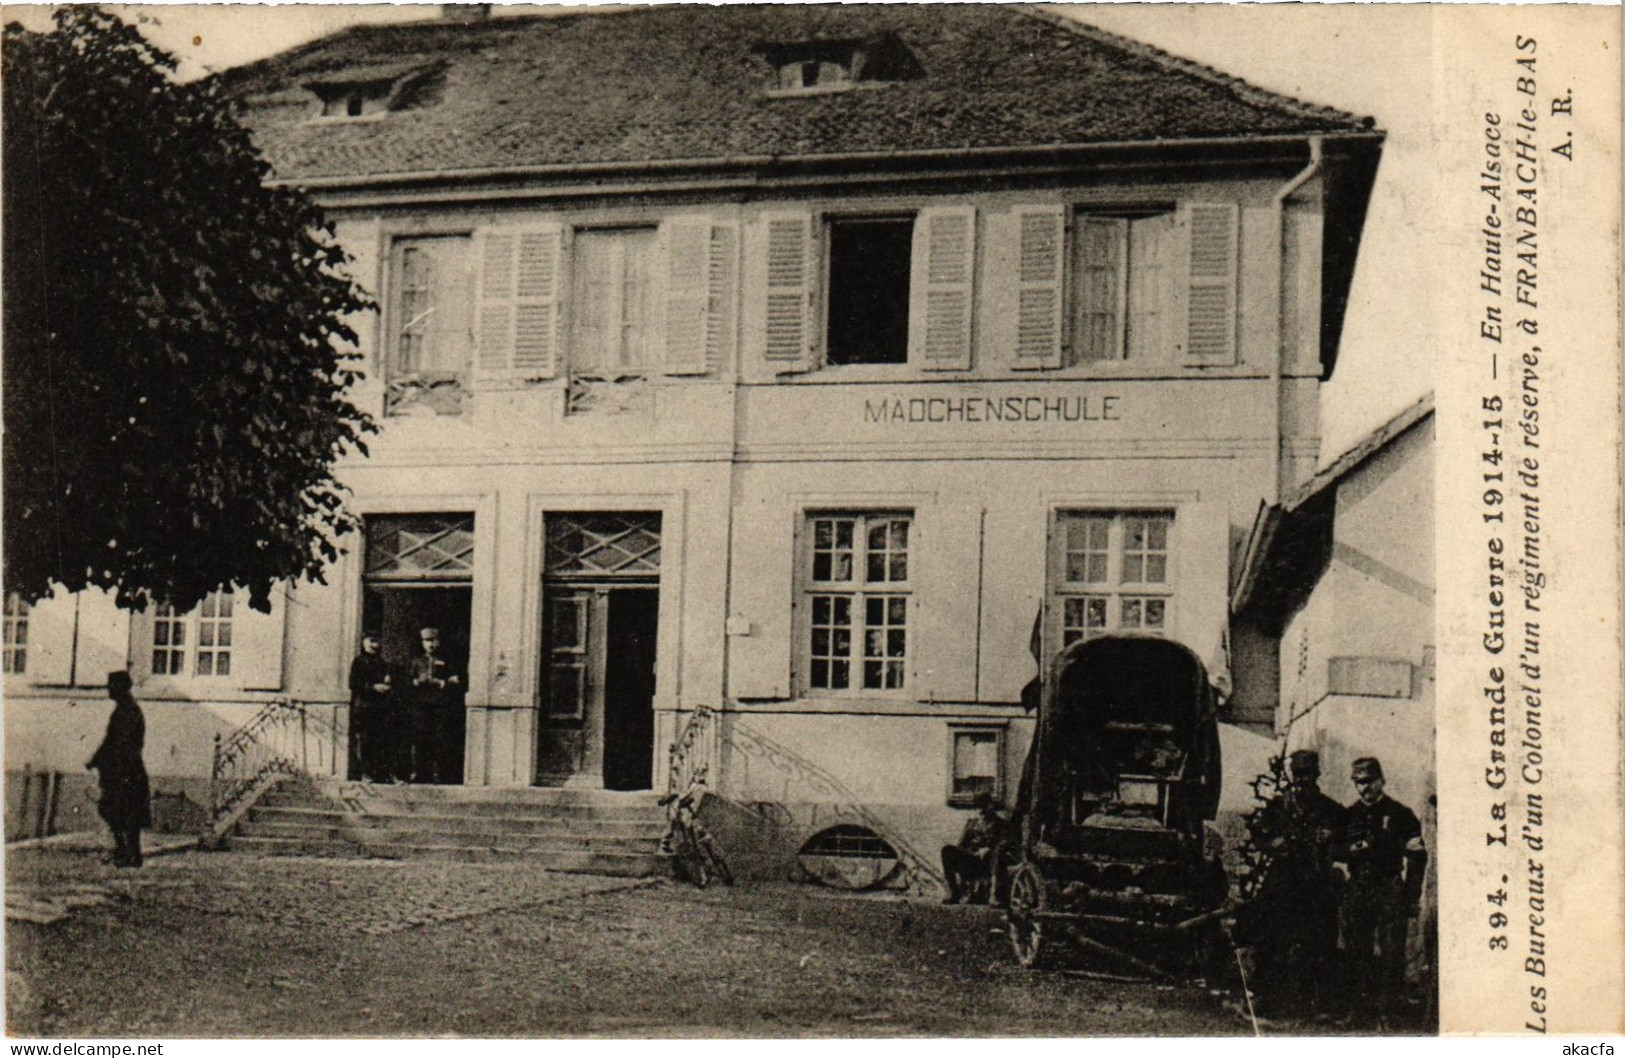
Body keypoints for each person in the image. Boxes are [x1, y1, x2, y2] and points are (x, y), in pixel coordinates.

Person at [1248, 749, 1347, 1010]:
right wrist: (1272, 843)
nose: (1303, 780)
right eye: (1298, 774)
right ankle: (1265, 995)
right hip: (1283, 879)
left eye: (1308, 774)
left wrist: (1331, 839)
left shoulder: (1331, 809)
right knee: (1271, 935)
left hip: (1316, 880)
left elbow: (1347, 843)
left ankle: (1318, 1001)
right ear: (1292, 775)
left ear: (1317, 775)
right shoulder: (1279, 807)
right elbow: (1258, 835)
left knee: (1320, 939)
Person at [1338, 756, 1428, 1026]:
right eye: (1358, 783)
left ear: (1381, 781)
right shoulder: (1349, 815)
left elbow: (1418, 856)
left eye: (1369, 782)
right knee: (1357, 951)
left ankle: (1386, 1013)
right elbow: (1334, 849)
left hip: (1389, 888)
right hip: (1358, 888)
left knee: (1391, 952)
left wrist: (1411, 897)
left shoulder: (1401, 814)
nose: (1364, 788)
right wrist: (1351, 850)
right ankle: (1359, 1011)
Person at [87, 671, 151, 868]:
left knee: (121, 812)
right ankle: (128, 853)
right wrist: (97, 760)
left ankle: (128, 853)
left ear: (121, 688)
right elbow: (110, 741)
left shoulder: (128, 711)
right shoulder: (125, 709)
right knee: (120, 812)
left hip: (126, 770)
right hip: (124, 769)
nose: (109, 690)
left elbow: (117, 743)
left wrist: (99, 761)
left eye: (112, 686)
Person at [409, 626, 462, 784]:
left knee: (440, 738)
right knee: (420, 737)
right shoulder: (416, 661)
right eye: (427, 641)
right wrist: (417, 681)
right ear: (422, 642)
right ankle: (419, 772)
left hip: (440, 705)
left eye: (433, 640)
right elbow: (407, 681)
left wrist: (442, 682)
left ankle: (438, 773)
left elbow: (456, 681)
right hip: (421, 705)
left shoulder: (447, 661)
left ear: (439, 641)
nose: (430, 644)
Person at [941, 792, 1011, 905]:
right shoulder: (971, 824)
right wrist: (972, 852)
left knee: (998, 855)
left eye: (983, 807)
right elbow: (961, 845)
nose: (980, 811)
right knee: (947, 850)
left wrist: (989, 848)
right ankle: (954, 893)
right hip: (972, 861)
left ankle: (996, 896)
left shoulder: (1001, 824)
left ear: (991, 806)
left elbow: (1006, 842)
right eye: (977, 807)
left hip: (990, 862)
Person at [348, 632, 394, 782]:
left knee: (380, 741)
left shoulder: (382, 663)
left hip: (380, 708)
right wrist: (373, 687)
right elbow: (354, 684)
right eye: (372, 641)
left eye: (378, 641)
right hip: (364, 707)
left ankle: (380, 774)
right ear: (363, 642)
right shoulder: (359, 662)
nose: (375, 645)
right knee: (365, 741)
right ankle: (365, 773)